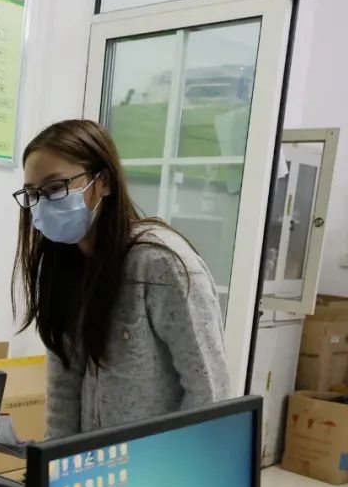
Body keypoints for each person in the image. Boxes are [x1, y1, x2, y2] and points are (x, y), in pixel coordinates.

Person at [11, 119, 230, 439]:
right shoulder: (62, 264)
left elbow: (209, 390)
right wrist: (55, 461)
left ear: (104, 182)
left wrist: (179, 460)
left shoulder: (160, 264)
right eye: (33, 193)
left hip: (160, 462)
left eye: (55, 188)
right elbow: (63, 387)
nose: (42, 204)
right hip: (96, 461)